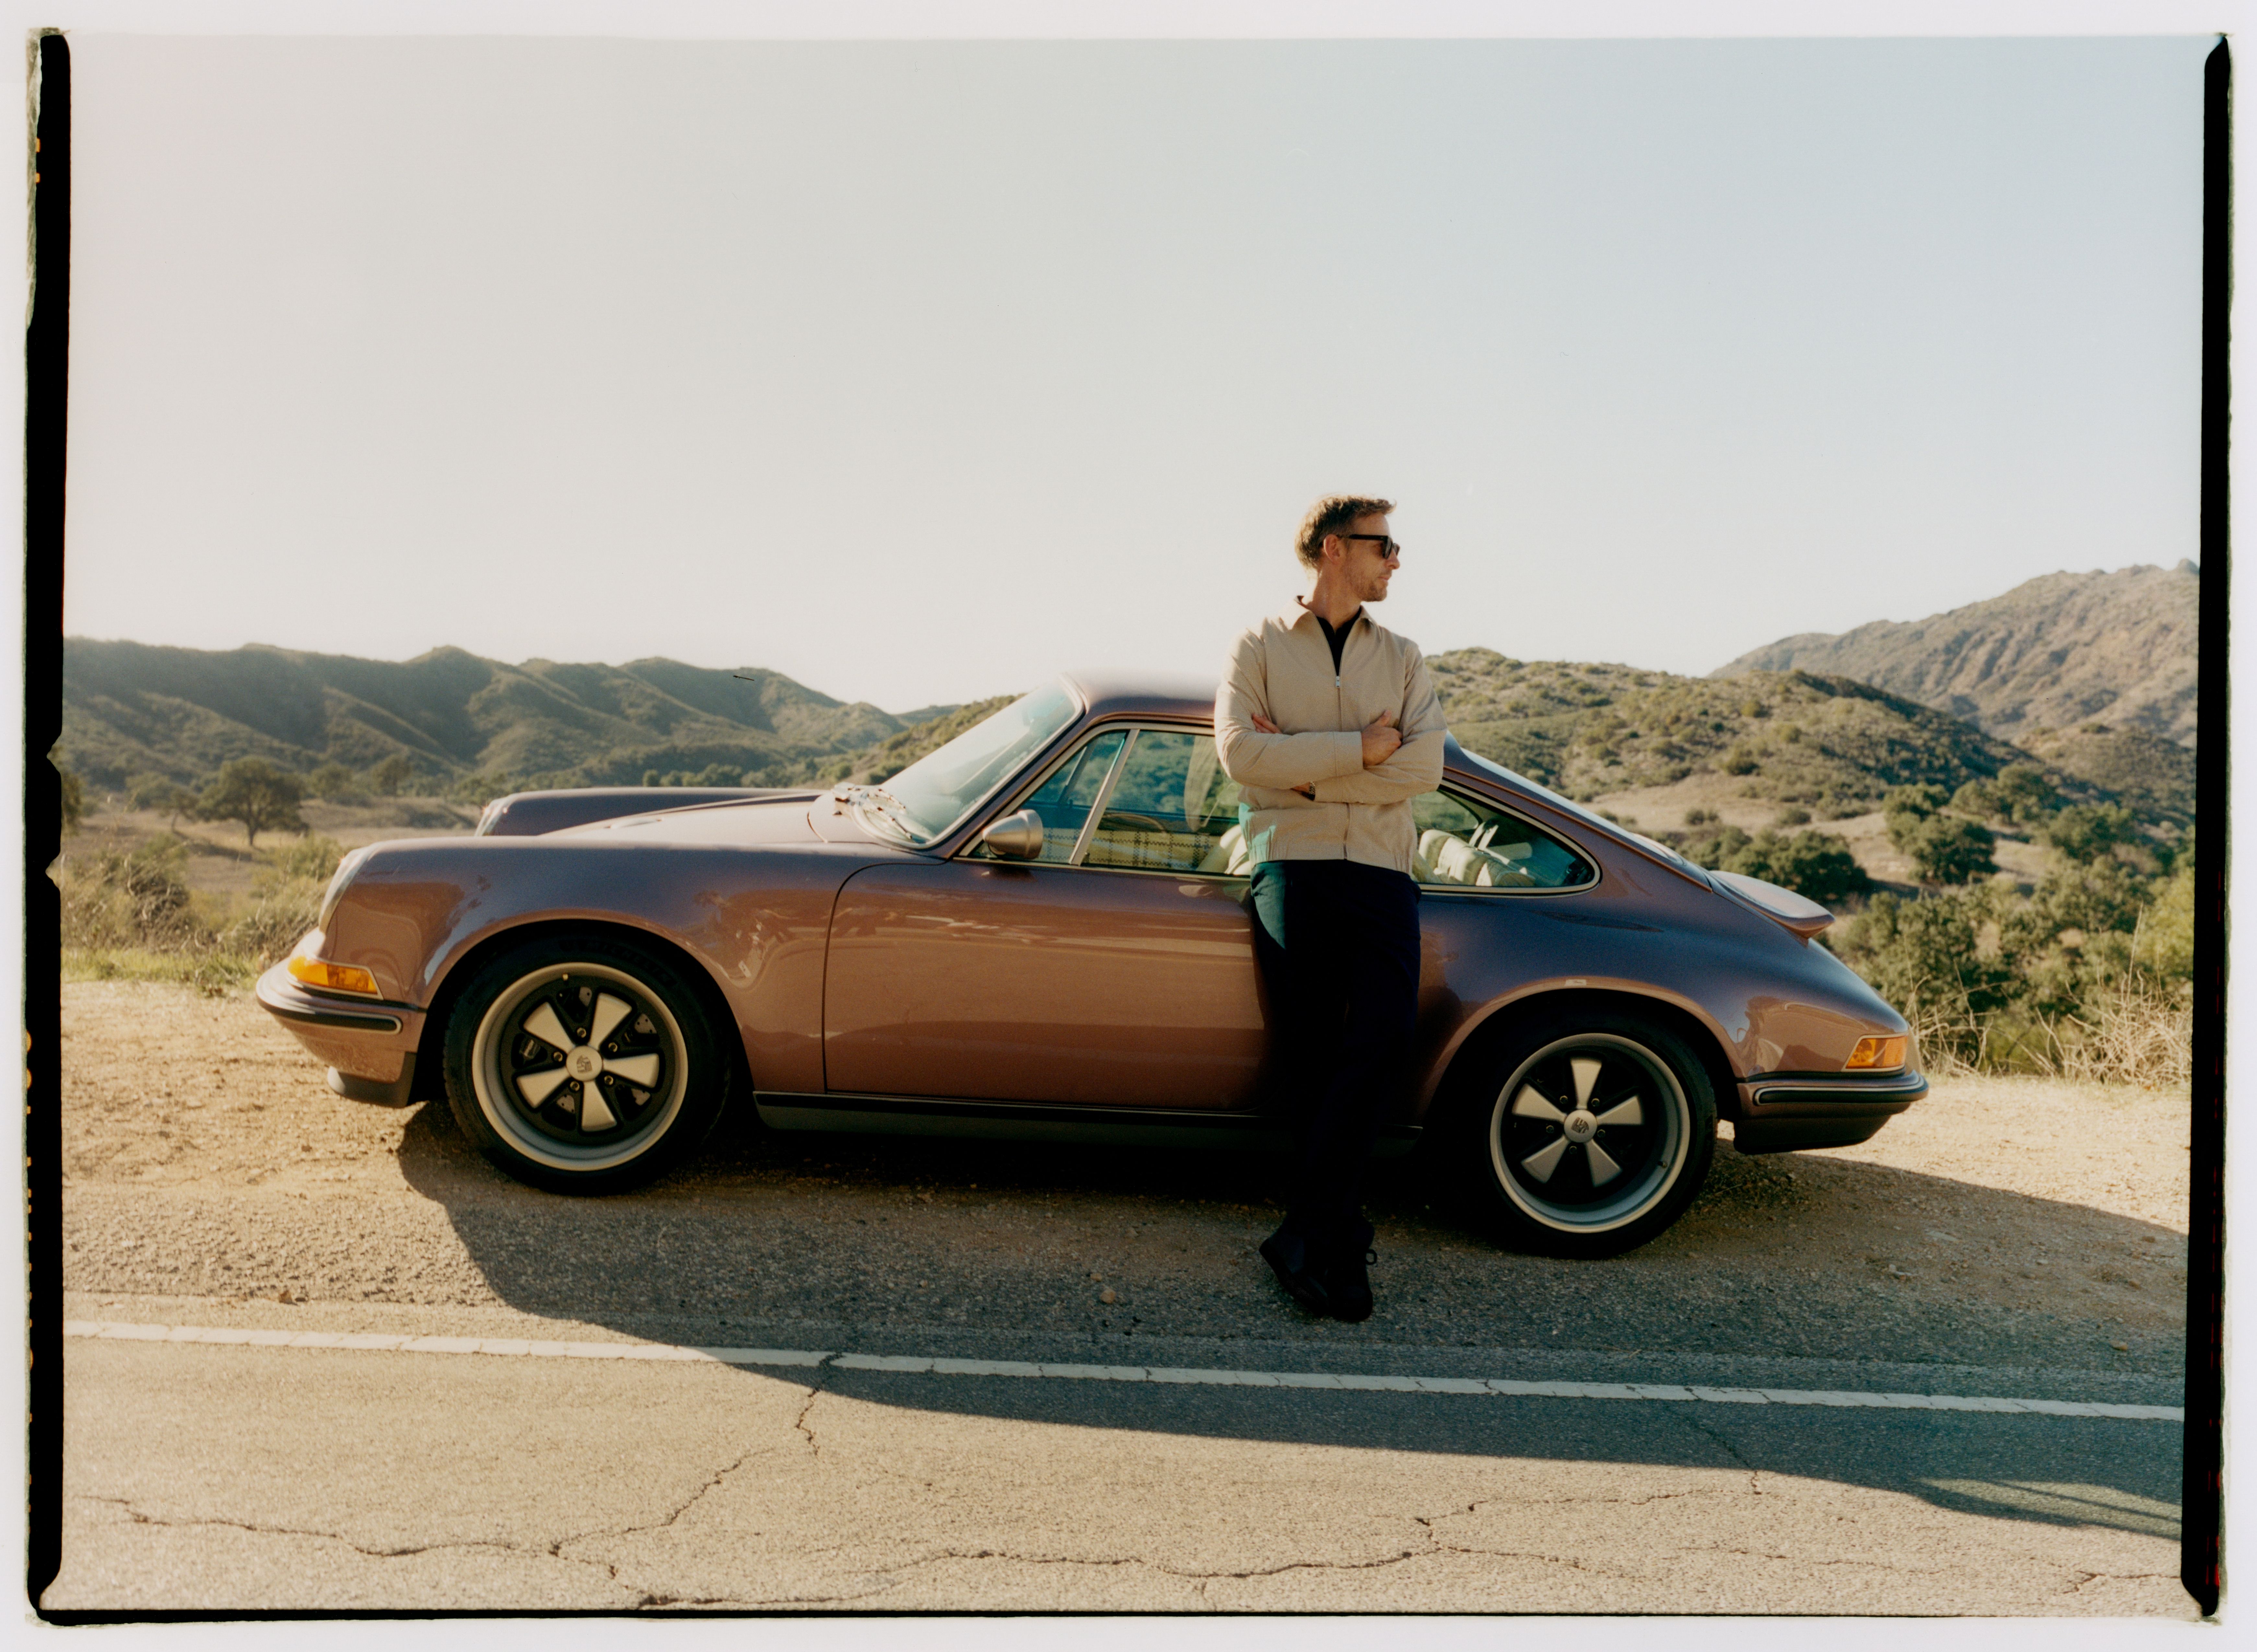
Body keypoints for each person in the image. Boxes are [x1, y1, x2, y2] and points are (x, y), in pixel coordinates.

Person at [1215, 494, 1447, 1323]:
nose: (1397, 559)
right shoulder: (1258, 643)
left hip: (1382, 869)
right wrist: (1360, 749)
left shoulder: (1405, 657)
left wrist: (1305, 771)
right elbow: (1240, 754)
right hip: (1292, 865)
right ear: (1333, 549)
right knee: (1312, 1052)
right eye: (1386, 544)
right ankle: (1338, 1242)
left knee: (1383, 1040)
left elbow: (1423, 768)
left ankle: (1310, 1230)